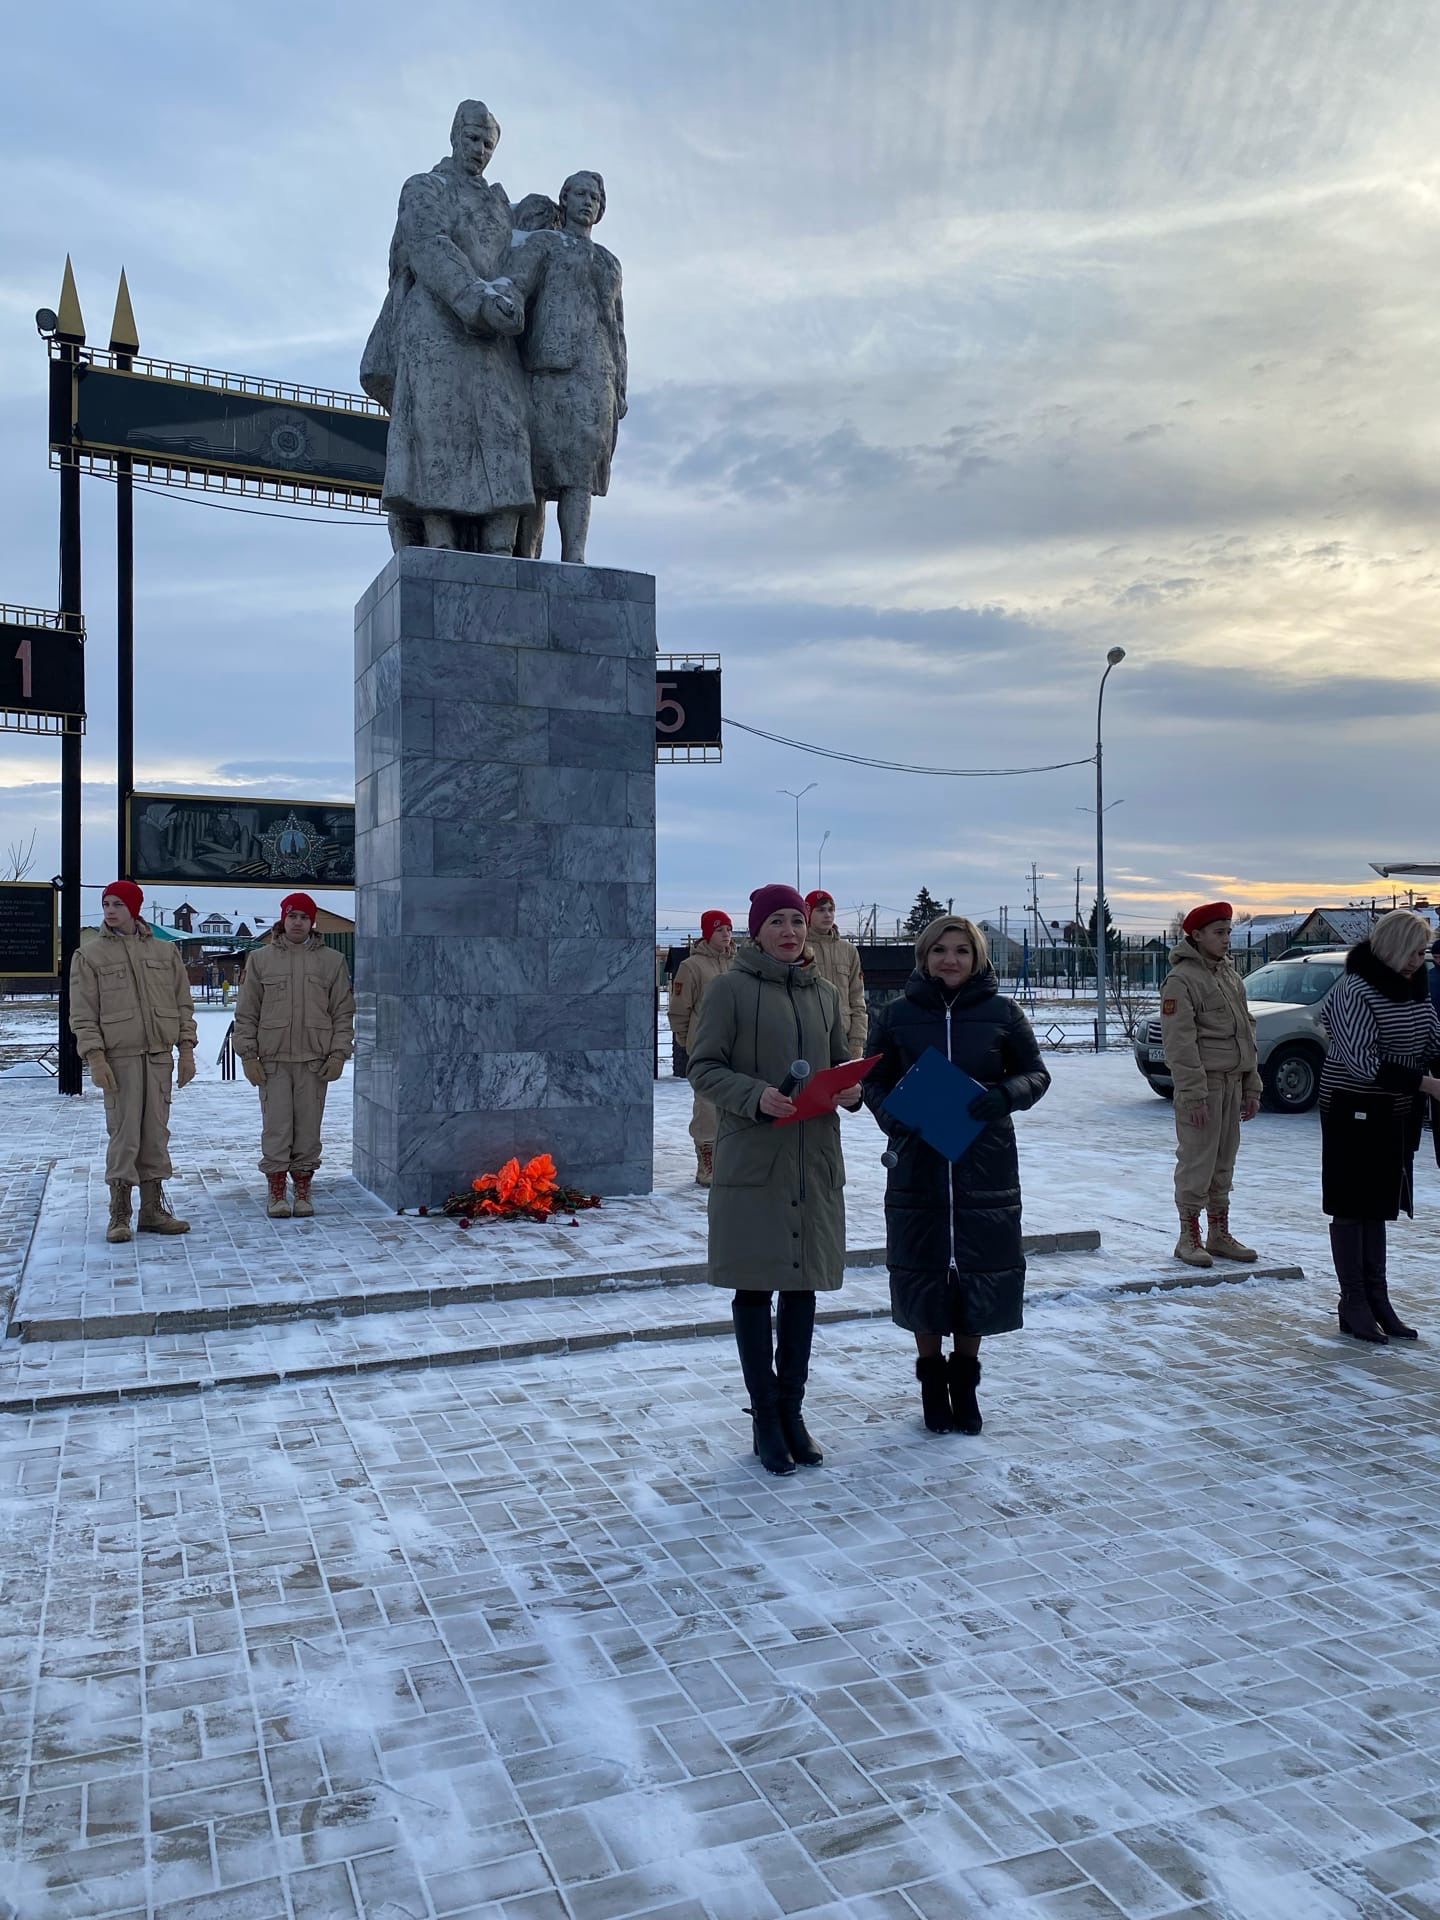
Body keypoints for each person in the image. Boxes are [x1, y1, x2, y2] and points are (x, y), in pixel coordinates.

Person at [687, 884, 859, 1474]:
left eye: (797, 921)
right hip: (755, 1162)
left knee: (804, 1289)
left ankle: (793, 1412)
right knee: (756, 1289)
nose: (790, 931)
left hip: (813, 1159)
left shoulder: (828, 994)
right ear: (756, 930)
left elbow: (838, 1062)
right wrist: (754, 1096)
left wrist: (850, 1087)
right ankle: (765, 1419)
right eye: (777, 922)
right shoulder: (730, 990)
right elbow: (703, 1067)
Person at [863, 916, 1049, 1435]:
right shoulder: (896, 1015)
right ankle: (930, 1380)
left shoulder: (1002, 1013)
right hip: (918, 1162)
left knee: (979, 1268)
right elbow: (872, 1078)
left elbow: (1036, 1073)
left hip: (983, 1161)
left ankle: (964, 1382)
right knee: (922, 1267)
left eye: (962, 950)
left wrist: (1004, 1097)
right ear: (923, 956)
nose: (951, 959)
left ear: (979, 957)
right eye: (940, 949)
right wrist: (894, 1117)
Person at [361, 99, 534, 554]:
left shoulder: (500, 206)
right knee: (437, 435)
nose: (479, 151)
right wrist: (477, 300)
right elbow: (428, 246)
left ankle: (500, 549)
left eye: (488, 145)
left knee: (507, 432)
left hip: (492, 337)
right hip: (436, 328)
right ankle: (438, 544)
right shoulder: (425, 187)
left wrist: (510, 295)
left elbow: (516, 260)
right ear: (455, 135)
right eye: (473, 139)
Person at [1318, 908, 1440, 1342]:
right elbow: (1362, 1064)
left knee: (1378, 1203)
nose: (1418, 961)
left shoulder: (1413, 988)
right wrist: (1425, 1082)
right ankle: (1353, 1301)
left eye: (1423, 953)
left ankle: (1377, 1299)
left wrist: (1430, 1071)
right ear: (1391, 947)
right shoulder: (1355, 989)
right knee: (1352, 1203)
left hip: (1394, 1110)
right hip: (1351, 1106)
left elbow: (1431, 1040)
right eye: (1413, 951)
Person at [68, 880, 197, 1243]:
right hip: (119, 1059)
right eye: (106, 903)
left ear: (134, 908)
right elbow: (82, 1014)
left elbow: (183, 1004)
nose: (110, 910)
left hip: (158, 1057)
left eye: (118, 904)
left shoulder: (164, 953)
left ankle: (153, 1210)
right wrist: (94, 1057)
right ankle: (120, 1213)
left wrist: (186, 1050)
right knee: (124, 1135)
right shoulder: (90, 956)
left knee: (156, 1134)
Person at [509, 169, 627, 564]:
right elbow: (515, 292)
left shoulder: (610, 263)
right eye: (579, 193)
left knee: (580, 475)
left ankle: (573, 556)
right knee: (537, 471)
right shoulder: (544, 245)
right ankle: (526, 556)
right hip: (547, 371)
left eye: (595, 196)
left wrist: (621, 387)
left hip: (597, 377)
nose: (587, 201)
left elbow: (618, 327)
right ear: (565, 198)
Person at [232, 893, 355, 1218]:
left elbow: (343, 1012)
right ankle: (276, 1191)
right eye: (292, 916)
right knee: (276, 1127)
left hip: (315, 1061)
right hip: (273, 1062)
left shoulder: (332, 961)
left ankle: (302, 1188)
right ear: (283, 919)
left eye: (304, 916)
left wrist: (339, 1053)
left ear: (312, 922)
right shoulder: (261, 960)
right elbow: (246, 1013)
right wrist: (248, 1055)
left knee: (308, 1129)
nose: (297, 922)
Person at [1160, 903, 1263, 1269]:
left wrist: (1252, 1085)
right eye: (1218, 932)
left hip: (1233, 1084)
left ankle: (1219, 1233)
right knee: (1197, 1162)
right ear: (1197, 935)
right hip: (1204, 1089)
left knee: (1223, 1162)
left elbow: (1246, 1032)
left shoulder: (1230, 976)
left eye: (1228, 932)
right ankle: (1189, 1236)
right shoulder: (1182, 980)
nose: (1225, 939)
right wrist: (1192, 1094)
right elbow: (1179, 1043)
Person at [668, 911, 734, 1187]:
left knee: (733, 1103)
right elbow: (679, 1008)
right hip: (705, 1044)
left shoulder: (738, 963)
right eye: (720, 930)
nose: (726, 935)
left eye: (729, 930)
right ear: (708, 933)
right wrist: (687, 1039)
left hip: (737, 1044)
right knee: (707, 1104)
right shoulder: (692, 966)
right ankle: (707, 1157)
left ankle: (731, 1158)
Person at [805, 891, 869, 1060]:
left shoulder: (848, 950)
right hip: (808, 1039)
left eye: (831, 909)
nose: (827, 915)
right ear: (808, 913)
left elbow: (857, 998)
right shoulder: (799, 948)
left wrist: (857, 1041)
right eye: (820, 910)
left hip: (844, 1039)